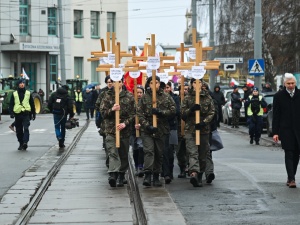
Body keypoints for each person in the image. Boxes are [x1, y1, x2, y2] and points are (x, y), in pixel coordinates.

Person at [137, 76, 176, 187]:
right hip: (148, 130)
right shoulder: (144, 98)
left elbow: (173, 110)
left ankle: (156, 175)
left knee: (159, 153)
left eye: (157, 82)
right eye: (152, 82)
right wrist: (147, 125)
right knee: (149, 151)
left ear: (159, 84)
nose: (154, 84)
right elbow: (139, 113)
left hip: (161, 129)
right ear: (148, 84)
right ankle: (148, 174)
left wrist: (161, 112)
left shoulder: (166, 97)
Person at [100, 77, 135, 188]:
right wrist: (112, 110)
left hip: (124, 131)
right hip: (110, 130)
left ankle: (121, 175)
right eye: (114, 82)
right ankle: (113, 174)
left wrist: (125, 123)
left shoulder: (129, 96)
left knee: (123, 154)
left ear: (122, 82)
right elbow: (102, 112)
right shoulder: (107, 95)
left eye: (118, 81)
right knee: (112, 152)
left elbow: (134, 114)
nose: (116, 84)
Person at [181, 78, 215, 187]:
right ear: (191, 85)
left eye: (199, 82)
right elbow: (182, 114)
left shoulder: (207, 98)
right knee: (192, 152)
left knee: (203, 153)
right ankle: (193, 173)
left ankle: (200, 174)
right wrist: (191, 110)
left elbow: (212, 112)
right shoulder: (187, 98)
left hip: (203, 130)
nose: (197, 84)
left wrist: (204, 122)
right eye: (194, 82)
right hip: (190, 130)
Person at [272, 73, 300, 188]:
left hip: (298, 130)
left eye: (293, 83)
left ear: (295, 83)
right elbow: (276, 115)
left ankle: (290, 176)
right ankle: (292, 179)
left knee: (296, 155)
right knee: (289, 153)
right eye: (288, 83)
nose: (291, 85)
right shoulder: (279, 96)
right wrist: (275, 132)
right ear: (284, 84)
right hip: (286, 130)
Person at [9, 79, 36, 150]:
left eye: (23, 83)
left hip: (26, 113)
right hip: (17, 114)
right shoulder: (14, 94)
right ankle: (21, 143)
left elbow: (32, 103)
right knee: (19, 130)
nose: (22, 84)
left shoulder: (28, 93)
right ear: (18, 84)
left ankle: (25, 142)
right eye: (20, 83)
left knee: (26, 128)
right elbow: (11, 104)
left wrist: (34, 113)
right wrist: (11, 113)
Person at [163, 81, 180, 183]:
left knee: (170, 150)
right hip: (162, 127)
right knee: (163, 151)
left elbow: (177, 111)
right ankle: (165, 172)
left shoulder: (175, 98)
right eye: (165, 87)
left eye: (168, 87)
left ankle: (170, 171)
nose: (166, 89)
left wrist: (164, 113)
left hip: (172, 127)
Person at [130, 85, 145, 177]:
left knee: (141, 147)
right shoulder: (131, 103)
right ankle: (136, 165)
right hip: (132, 130)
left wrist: (141, 124)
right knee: (135, 148)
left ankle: (141, 166)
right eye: (137, 92)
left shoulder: (145, 102)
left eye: (140, 92)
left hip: (142, 129)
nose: (139, 94)